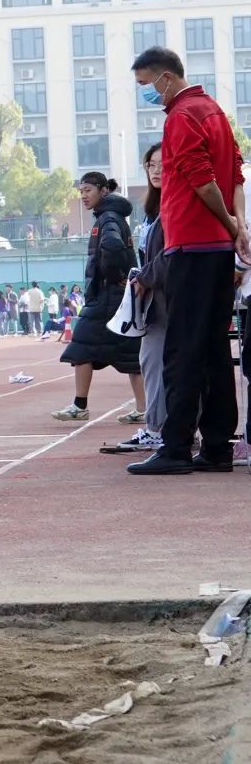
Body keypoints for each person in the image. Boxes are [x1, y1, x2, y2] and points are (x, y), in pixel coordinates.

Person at [128, 47, 249, 475]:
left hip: (191, 246)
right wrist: (238, 224)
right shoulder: (214, 110)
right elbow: (235, 172)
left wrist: (232, 225)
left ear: (165, 77)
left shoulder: (181, 116)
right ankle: (216, 446)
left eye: (145, 84)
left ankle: (176, 446)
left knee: (182, 349)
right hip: (214, 250)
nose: (145, 93)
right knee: (214, 347)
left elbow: (202, 179)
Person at [52, 173, 146, 423]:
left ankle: (80, 406)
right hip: (115, 296)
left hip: (107, 297)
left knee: (81, 346)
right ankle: (143, 408)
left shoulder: (108, 218)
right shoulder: (111, 216)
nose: (83, 196)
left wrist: (114, 277)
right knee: (131, 352)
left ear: (103, 190)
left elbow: (112, 248)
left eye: (88, 190)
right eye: (81, 191)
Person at [116, 143, 166, 452]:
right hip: (153, 299)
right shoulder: (151, 209)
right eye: (151, 164)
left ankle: (158, 429)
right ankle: (164, 427)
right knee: (152, 361)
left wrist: (145, 277)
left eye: (163, 164)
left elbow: (170, 254)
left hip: (167, 299)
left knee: (155, 362)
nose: (157, 170)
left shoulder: (173, 205)